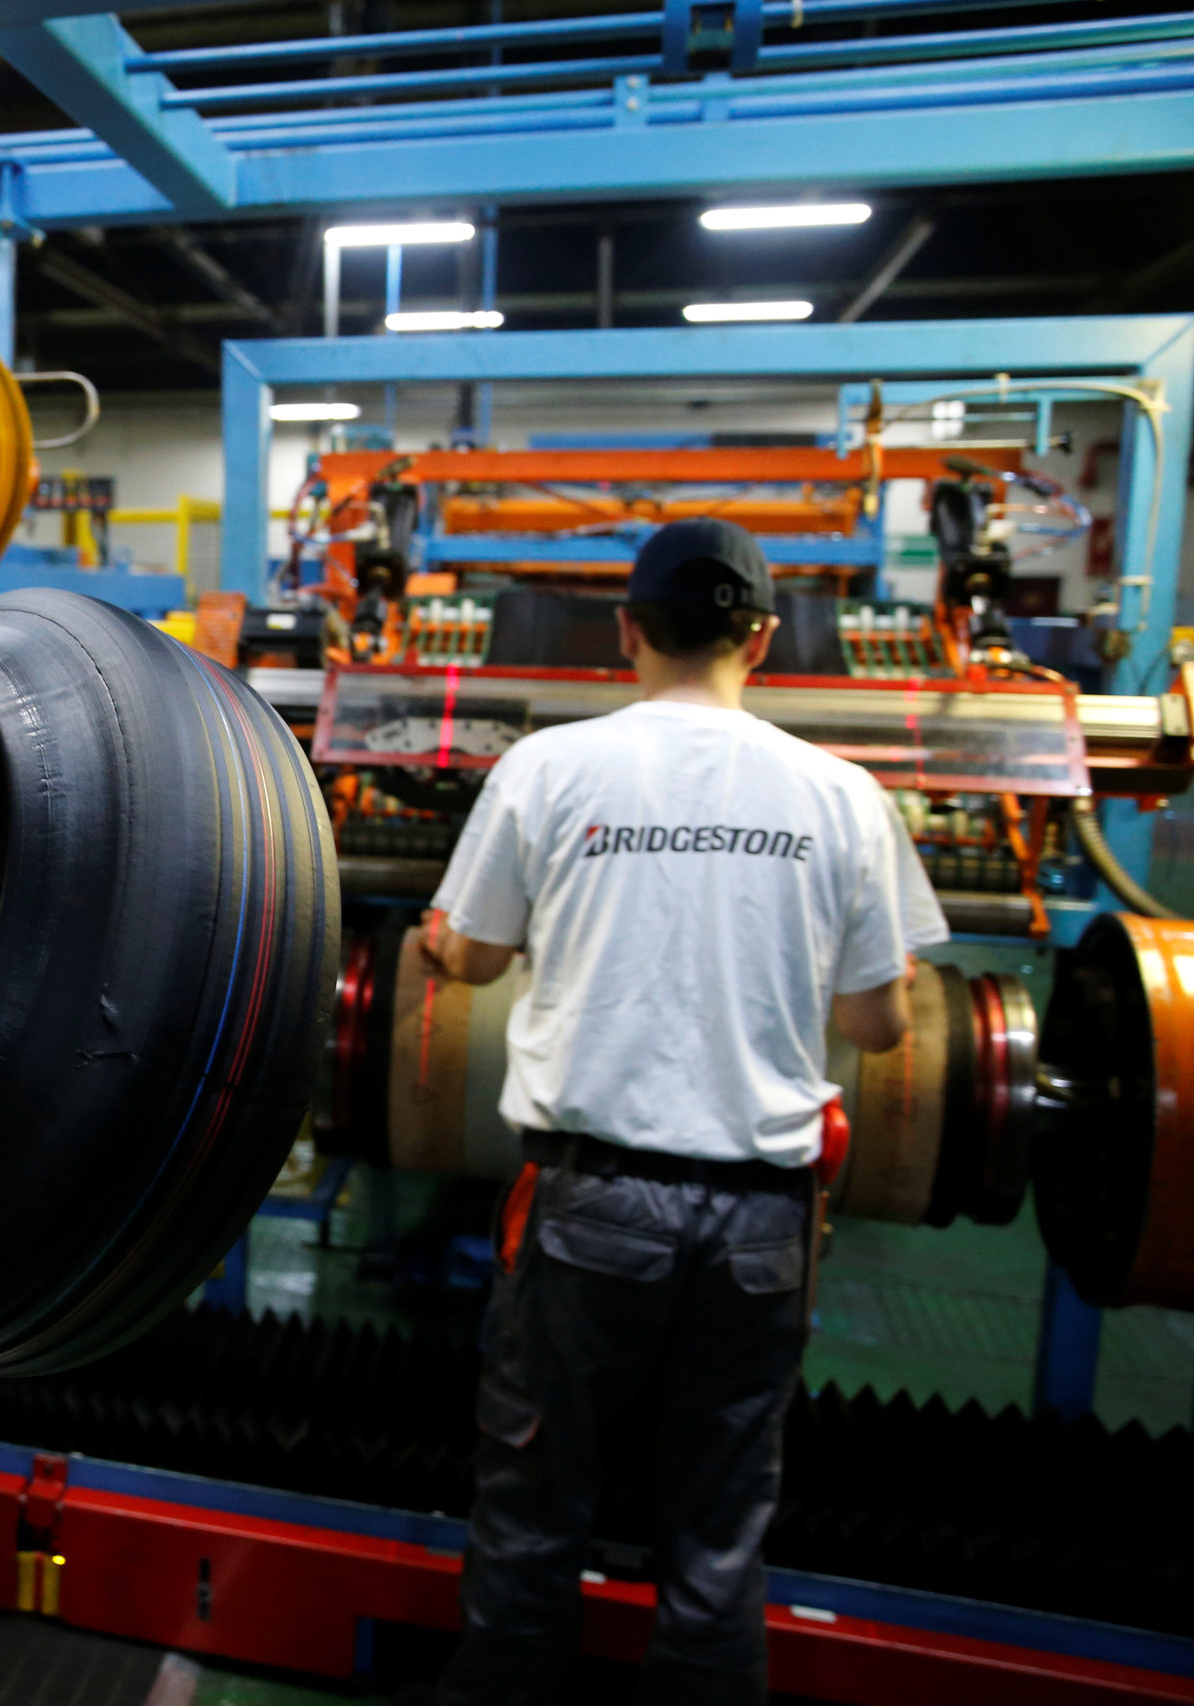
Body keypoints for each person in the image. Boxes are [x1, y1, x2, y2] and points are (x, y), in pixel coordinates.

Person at [419, 518, 946, 1706]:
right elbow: (879, 1028)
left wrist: (437, 942)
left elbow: (475, 955)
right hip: (762, 1225)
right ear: (762, 636)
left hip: (589, 1204)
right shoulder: (843, 793)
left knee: (535, 1502)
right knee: (716, 1533)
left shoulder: (550, 768)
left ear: (626, 632)